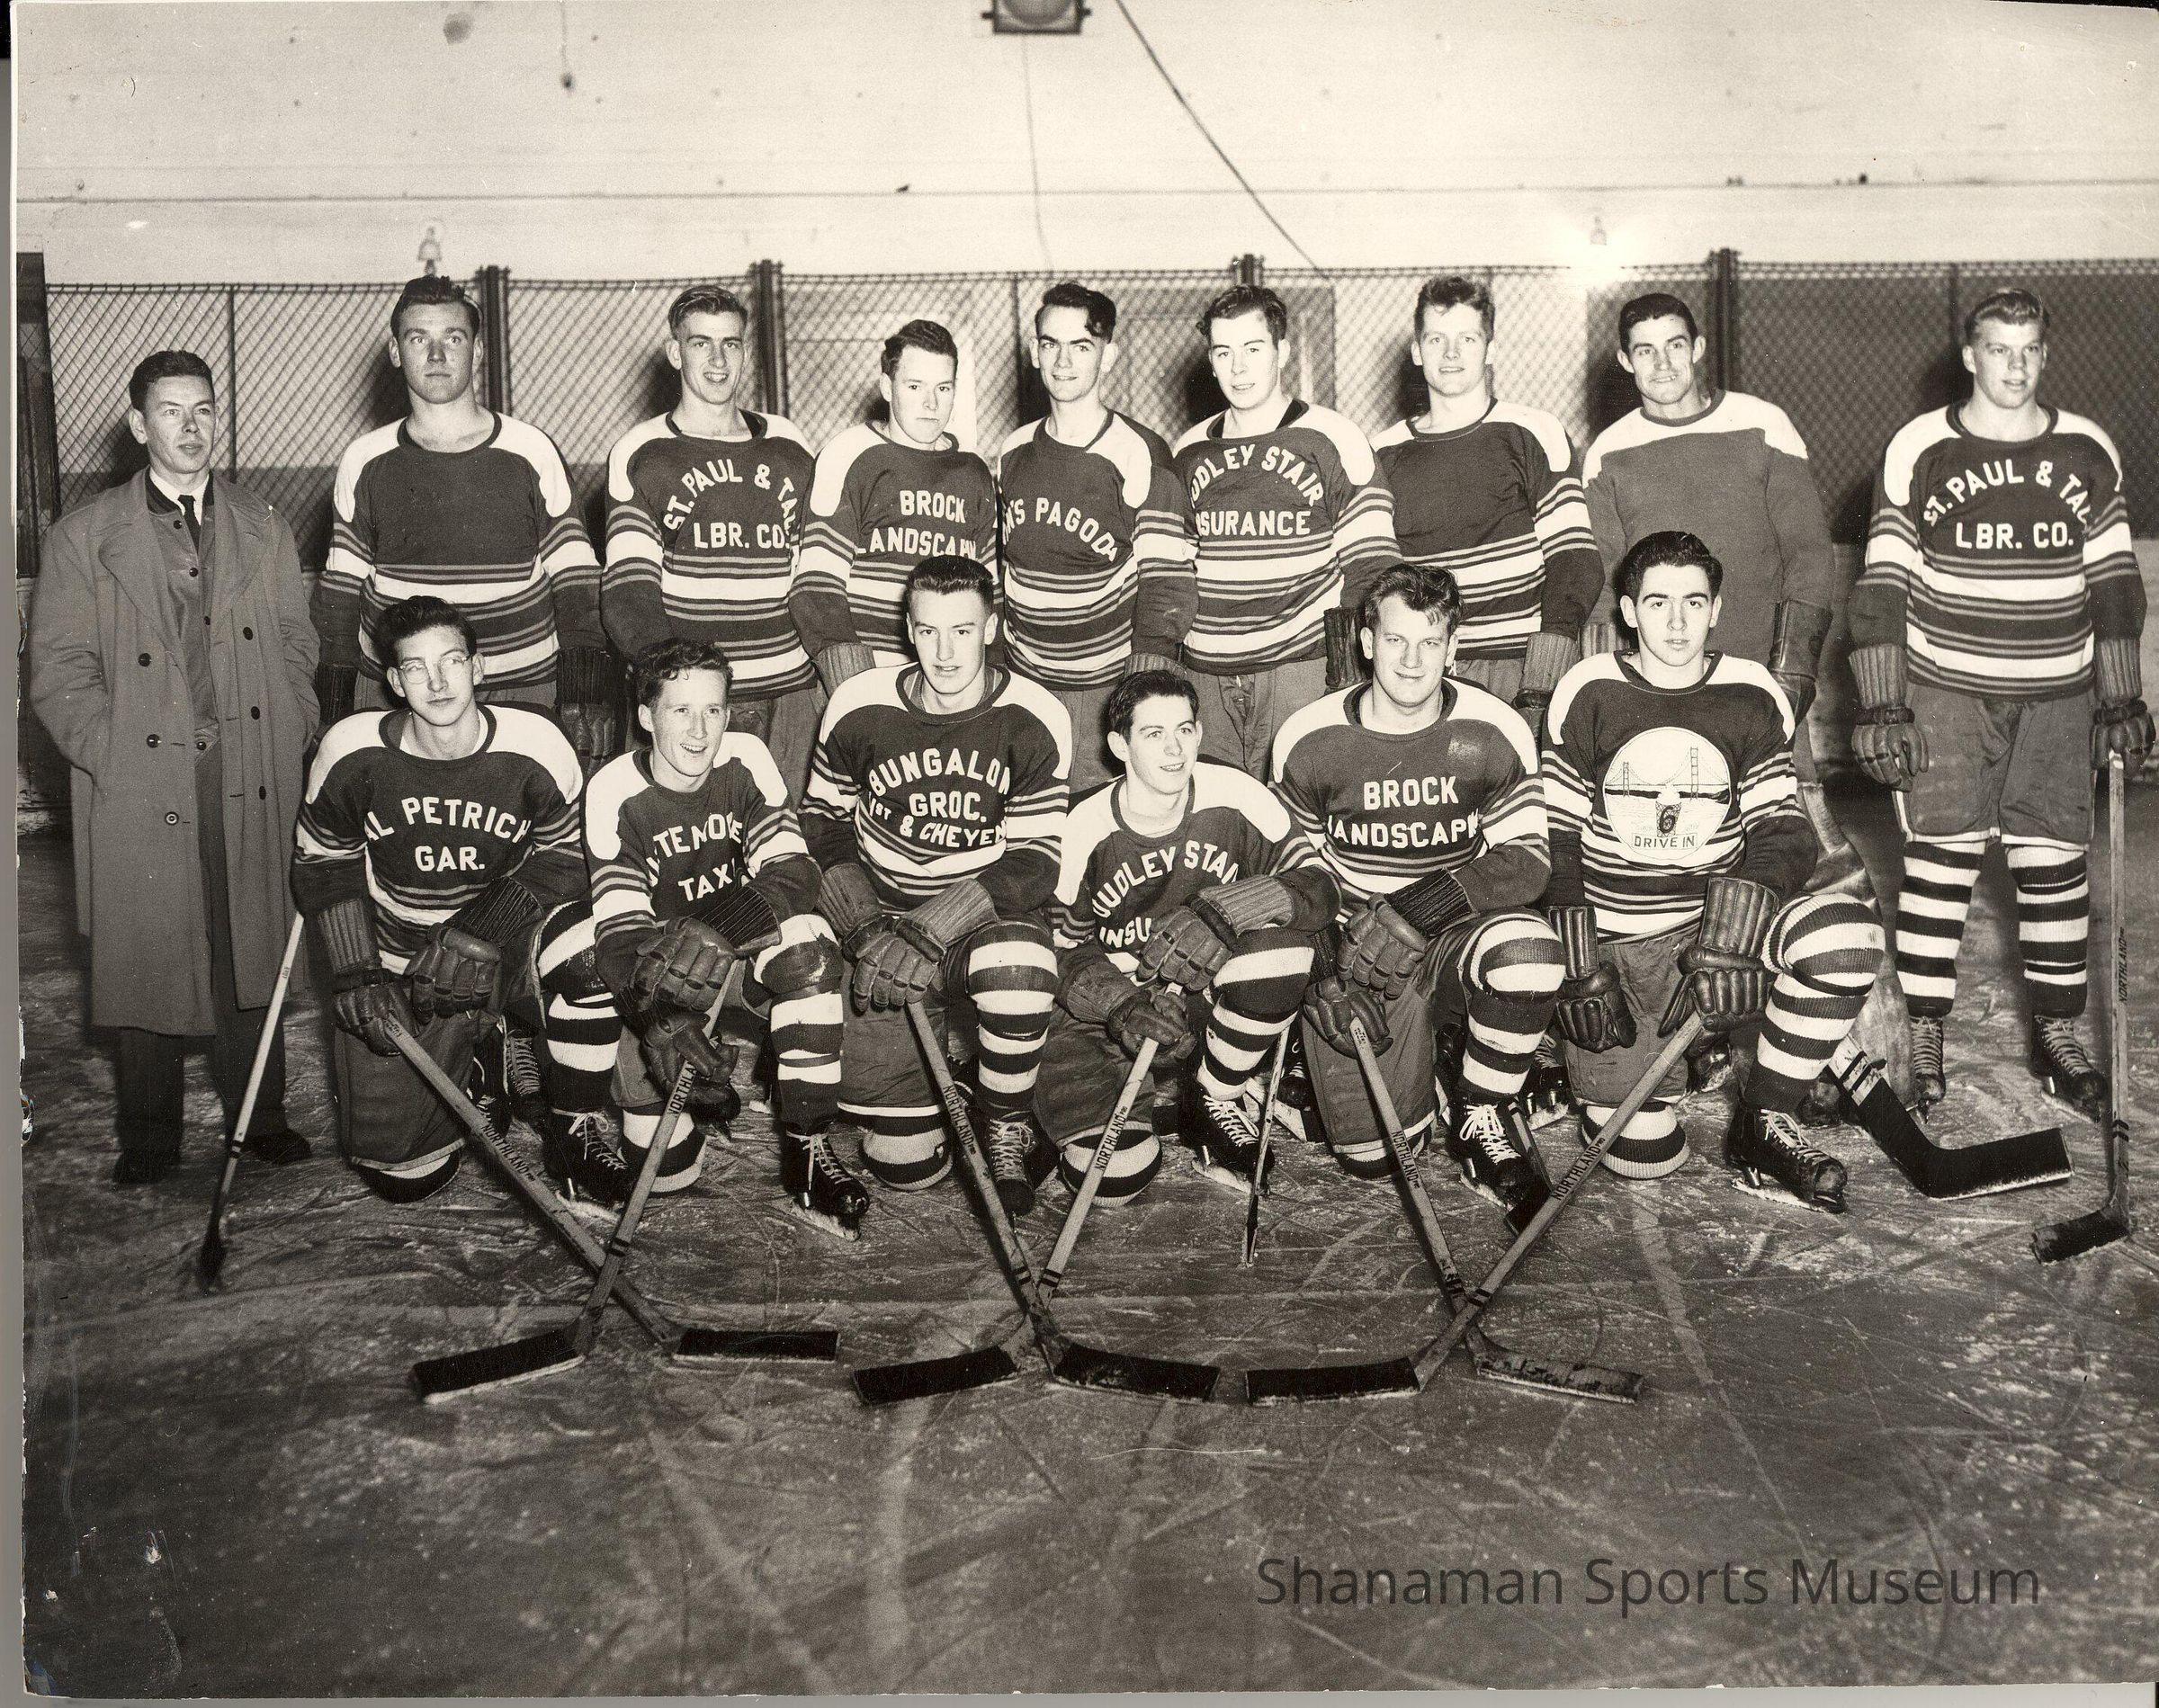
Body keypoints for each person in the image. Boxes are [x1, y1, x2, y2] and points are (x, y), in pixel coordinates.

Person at [1581, 289, 1890, 1113]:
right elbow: (1607, 589)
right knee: (1684, 866)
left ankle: (1855, 1053)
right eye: (1644, 350)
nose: (1662, 363)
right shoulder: (1609, 451)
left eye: (1674, 345)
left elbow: (1808, 556)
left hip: (1762, 702)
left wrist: (1789, 680)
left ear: (1698, 346)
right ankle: (1719, 1042)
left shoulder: (1762, 425)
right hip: (1664, 709)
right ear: (1625, 360)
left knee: (1807, 857)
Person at [1848, 287, 2148, 1118]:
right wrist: (1883, 703)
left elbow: (2114, 581)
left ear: (2044, 354)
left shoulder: (2087, 448)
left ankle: (2055, 1035)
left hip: (2058, 692)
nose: (2015, 367)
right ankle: (1926, 1029)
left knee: (2053, 866)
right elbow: (1883, 583)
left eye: (2029, 350)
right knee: (1940, 865)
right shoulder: (1921, 445)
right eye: (1998, 349)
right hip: (1948, 689)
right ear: (1969, 356)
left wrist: (2121, 693)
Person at [29, 349, 321, 1185]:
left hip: (246, 763)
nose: (190, 428)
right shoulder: (84, 536)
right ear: (137, 424)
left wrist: (291, 722)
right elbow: (58, 670)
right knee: (147, 949)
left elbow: (296, 641)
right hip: (142, 771)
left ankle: (261, 1115)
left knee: (248, 945)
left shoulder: (263, 523)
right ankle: (150, 1134)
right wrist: (115, 753)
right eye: (170, 411)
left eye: (203, 410)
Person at [1543, 532, 1884, 1209]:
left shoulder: (1750, 690)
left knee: (1845, 938)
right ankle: (1581, 1064)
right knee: (1644, 1155)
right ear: (1629, 611)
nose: (1677, 622)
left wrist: (1734, 929)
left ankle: (1762, 1121)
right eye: (1658, 603)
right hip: (1617, 949)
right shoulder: (1589, 688)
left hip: (1714, 934)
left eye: (1693, 603)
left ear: (1716, 609)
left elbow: (1785, 830)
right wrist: (1580, 962)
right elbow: (1552, 835)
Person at [523, 639, 856, 1230]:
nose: (700, 731)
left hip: (731, 950)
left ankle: (807, 1146)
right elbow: (620, 934)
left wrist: (720, 927)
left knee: (808, 949)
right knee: (668, 1174)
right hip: (656, 973)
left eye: (713, 710)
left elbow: (793, 870)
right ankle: (571, 1130)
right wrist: (661, 1019)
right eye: (681, 710)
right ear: (646, 716)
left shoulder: (745, 757)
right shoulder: (614, 788)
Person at [1272, 562, 1565, 1222]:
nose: (1412, 660)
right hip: (1358, 947)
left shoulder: (1494, 726)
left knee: (1530, 951)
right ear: (1365, 642)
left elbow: (1527, 861)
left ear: (1453, 647)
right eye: (1396, 640)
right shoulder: (1308, 736)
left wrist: (1418, 907)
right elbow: (1290, 874)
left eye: (1430, 642)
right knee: (1375, 1159)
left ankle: (1482, 1109)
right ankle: (1338, 1056)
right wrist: (1322, 972)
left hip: (1451, 932)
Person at [291, 596, 587, 1202]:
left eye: (452, 661)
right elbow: (324, 861)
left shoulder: (537, 743)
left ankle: (514, 1033)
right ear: (394, 682)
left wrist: (482, 925)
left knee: (587, 950)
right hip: (399, 953)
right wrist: (355, 969)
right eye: (416, 667)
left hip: (501, 942)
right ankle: (478, 1052)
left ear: (477, 667)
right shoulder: (350, 750)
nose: (437, 681)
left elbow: (570, 855)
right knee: (404, 1176)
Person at [804, 556, 1070, 1214]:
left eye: (962, 630)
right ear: (908, 628)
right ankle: (942, 1075)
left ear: (991, 627)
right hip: (880, 927)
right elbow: (822, 823)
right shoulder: (858, 702)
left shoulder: (1034, 713)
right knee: (908, 1168)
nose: (944, 652)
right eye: (928, 631)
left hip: (972, 925)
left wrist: (934, 926)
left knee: (1024, 962)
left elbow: (1035, 861)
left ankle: (1004, 1119)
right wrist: (863, 925)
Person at [1043, 670, 1337, 1201]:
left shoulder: (1236, 792)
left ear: (1200, 733)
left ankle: (1214, 1095)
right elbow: (1060, 947)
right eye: (1153, 733)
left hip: (1206, 998)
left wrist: (1223, 912)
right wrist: (1120, 1004)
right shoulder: (1082, 824)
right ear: (1119, 745)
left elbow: (1317, 885)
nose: (1174, 749)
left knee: (1285, 952)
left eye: (1184, 730)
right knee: (1114, 1177)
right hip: (1119, 1011)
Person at [313, 275, 611, 764]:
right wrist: (333, 704)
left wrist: (584, 690)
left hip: (521, 687)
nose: (436, 356)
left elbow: (576, 580)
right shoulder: (365, 459)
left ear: (476, 351)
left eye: (452, 338)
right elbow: (342, 595)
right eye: (418, 339)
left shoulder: (530, 450)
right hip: (403, 693)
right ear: (395, 352)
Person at [601, 285, 822, 797]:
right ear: (675, 352)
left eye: (731, 344)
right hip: (696, 701)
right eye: (701, 343)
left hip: (787, 688)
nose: (718, 360)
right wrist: (677, 685)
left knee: (785, 829)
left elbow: (813, 571)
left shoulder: (788, 443)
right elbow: (629, 590)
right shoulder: (643, 450)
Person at [1171, 284, 1397, 777]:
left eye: (1253, 349)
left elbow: (1373, 567)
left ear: (1284, 351)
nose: (1238, 368)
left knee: (1299, 804)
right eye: (1224, 352)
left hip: (1299, 668)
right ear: (1210, 361)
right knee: (1219, 809)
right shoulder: (1187, 450)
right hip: (1206, 672)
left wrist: (1347, 669)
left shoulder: (1332, 436)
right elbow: (1171, 573)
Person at [1371, 274, 1603, 736]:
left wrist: (1542, 676)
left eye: (1467, 339)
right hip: (1427, 669)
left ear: (1490, 349)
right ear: (1416, 351)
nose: (1451, 354)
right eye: (1436, 339)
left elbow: (1575, 559)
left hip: (1521, 665)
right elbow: (1378, 577)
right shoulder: (1382, 452)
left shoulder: (1532, 431)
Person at [996, 281, 1197, 792]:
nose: (1063, 361)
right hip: (1025, 684)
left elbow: (1166, 586)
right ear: (1035, 352)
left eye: (1081, 346)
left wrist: (1139, 696)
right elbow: (1003, 573)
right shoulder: (1013, 452)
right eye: (1050, 344)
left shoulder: (1141, 452)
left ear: (1108, 356)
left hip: (1103, 692)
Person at [792, 319, 999, 691]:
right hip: (868, 677)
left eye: (943, 388)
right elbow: (816, 588)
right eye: (915, 386)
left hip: (953, 679)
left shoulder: (973, 470)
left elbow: (988, 595)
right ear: (887, 387)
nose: (931, 403)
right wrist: (857, 689)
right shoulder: (849, 454)